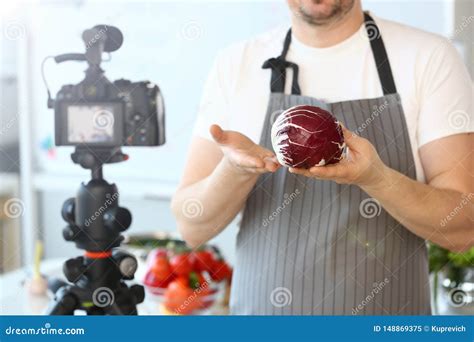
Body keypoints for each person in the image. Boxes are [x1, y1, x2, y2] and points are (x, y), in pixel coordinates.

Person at [171, 0, 473, 315]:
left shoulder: (429, 57)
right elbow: (191, 226)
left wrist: (376, 178)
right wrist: (235, 170)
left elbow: (464, 228)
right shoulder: (236, 63)